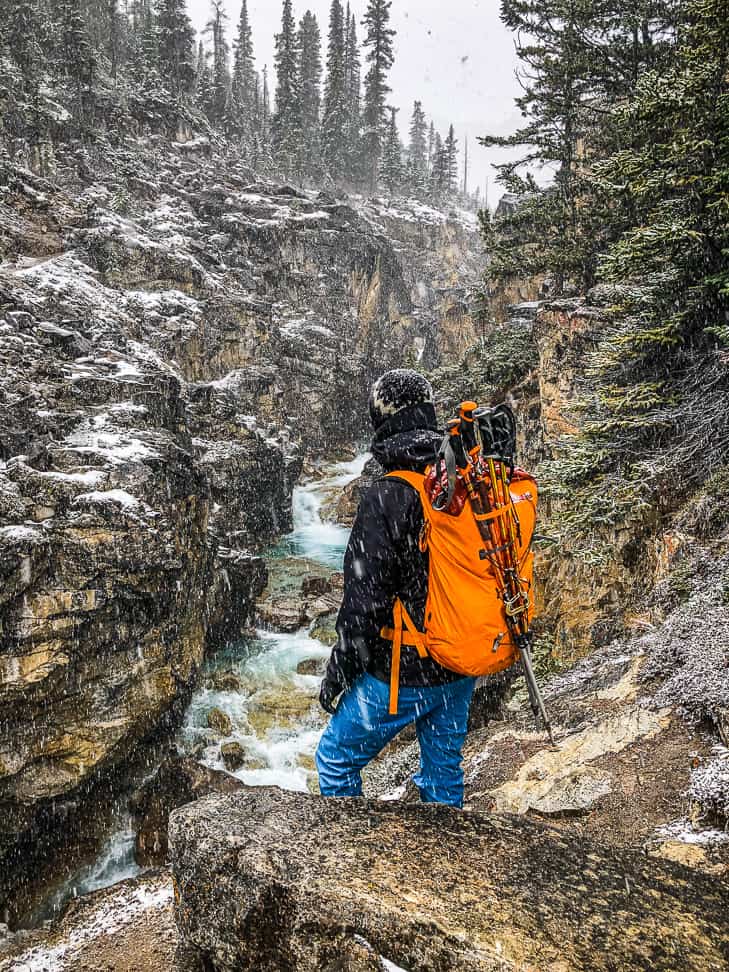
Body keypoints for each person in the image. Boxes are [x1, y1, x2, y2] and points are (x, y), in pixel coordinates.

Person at [315, 369, 476, 808]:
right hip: (460, 659)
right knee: (443, 767)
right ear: (427, 412)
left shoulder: (387, 495)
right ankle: (448, 858)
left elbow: (364, 607)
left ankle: (354, 864)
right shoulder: (458, 477)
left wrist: (339, 674)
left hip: (408, 671)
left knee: (335, 758)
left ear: (380, 420)